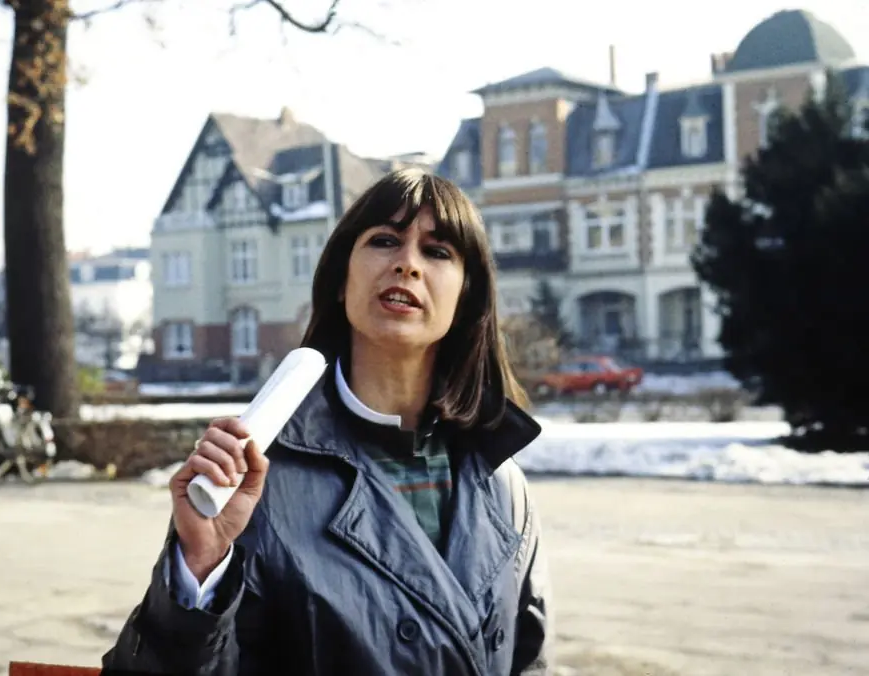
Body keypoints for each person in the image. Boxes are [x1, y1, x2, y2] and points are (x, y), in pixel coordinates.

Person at [102, 168, 553, 675]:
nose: (406, 264)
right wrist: (199, 568)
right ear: (341, 279)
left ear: (466, 297)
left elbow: (528, 662)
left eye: (437, 251)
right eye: (385, 241)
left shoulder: (502, 484)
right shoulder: (252, 477)